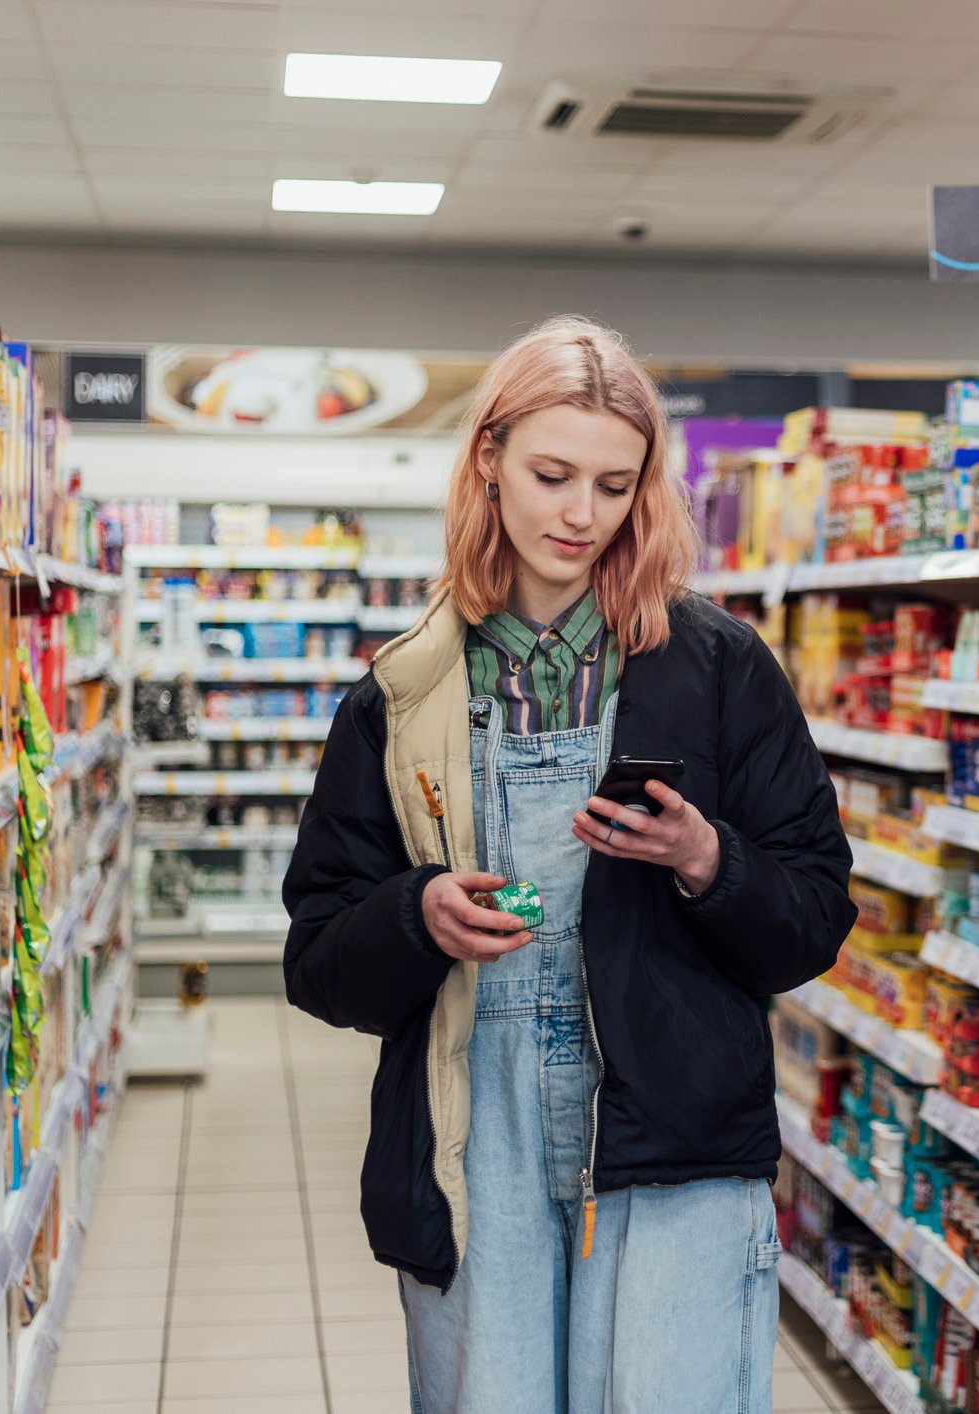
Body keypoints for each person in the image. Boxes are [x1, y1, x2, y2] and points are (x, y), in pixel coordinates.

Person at [282, 316, 855, 1414]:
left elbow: (815, 915)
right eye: (552, 475)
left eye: (613, 483)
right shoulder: (402, 695)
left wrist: (707, 859)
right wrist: (417, 918)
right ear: (487, 461)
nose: (581, 514)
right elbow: (319, 957)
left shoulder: (721, 670)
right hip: (471, 1126)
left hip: (672, 1133)